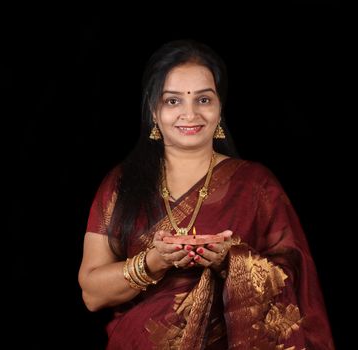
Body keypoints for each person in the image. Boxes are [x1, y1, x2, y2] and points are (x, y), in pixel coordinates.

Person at [78, 39, 334, 349]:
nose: (190, 113)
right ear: (153, 110)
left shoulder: (256, 184)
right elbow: (92, 294)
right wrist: (152, 262)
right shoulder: (122, 184)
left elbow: (297, 280)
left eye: (203, 100)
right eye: (173, 101)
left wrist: (233, 263)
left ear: (220, 107)